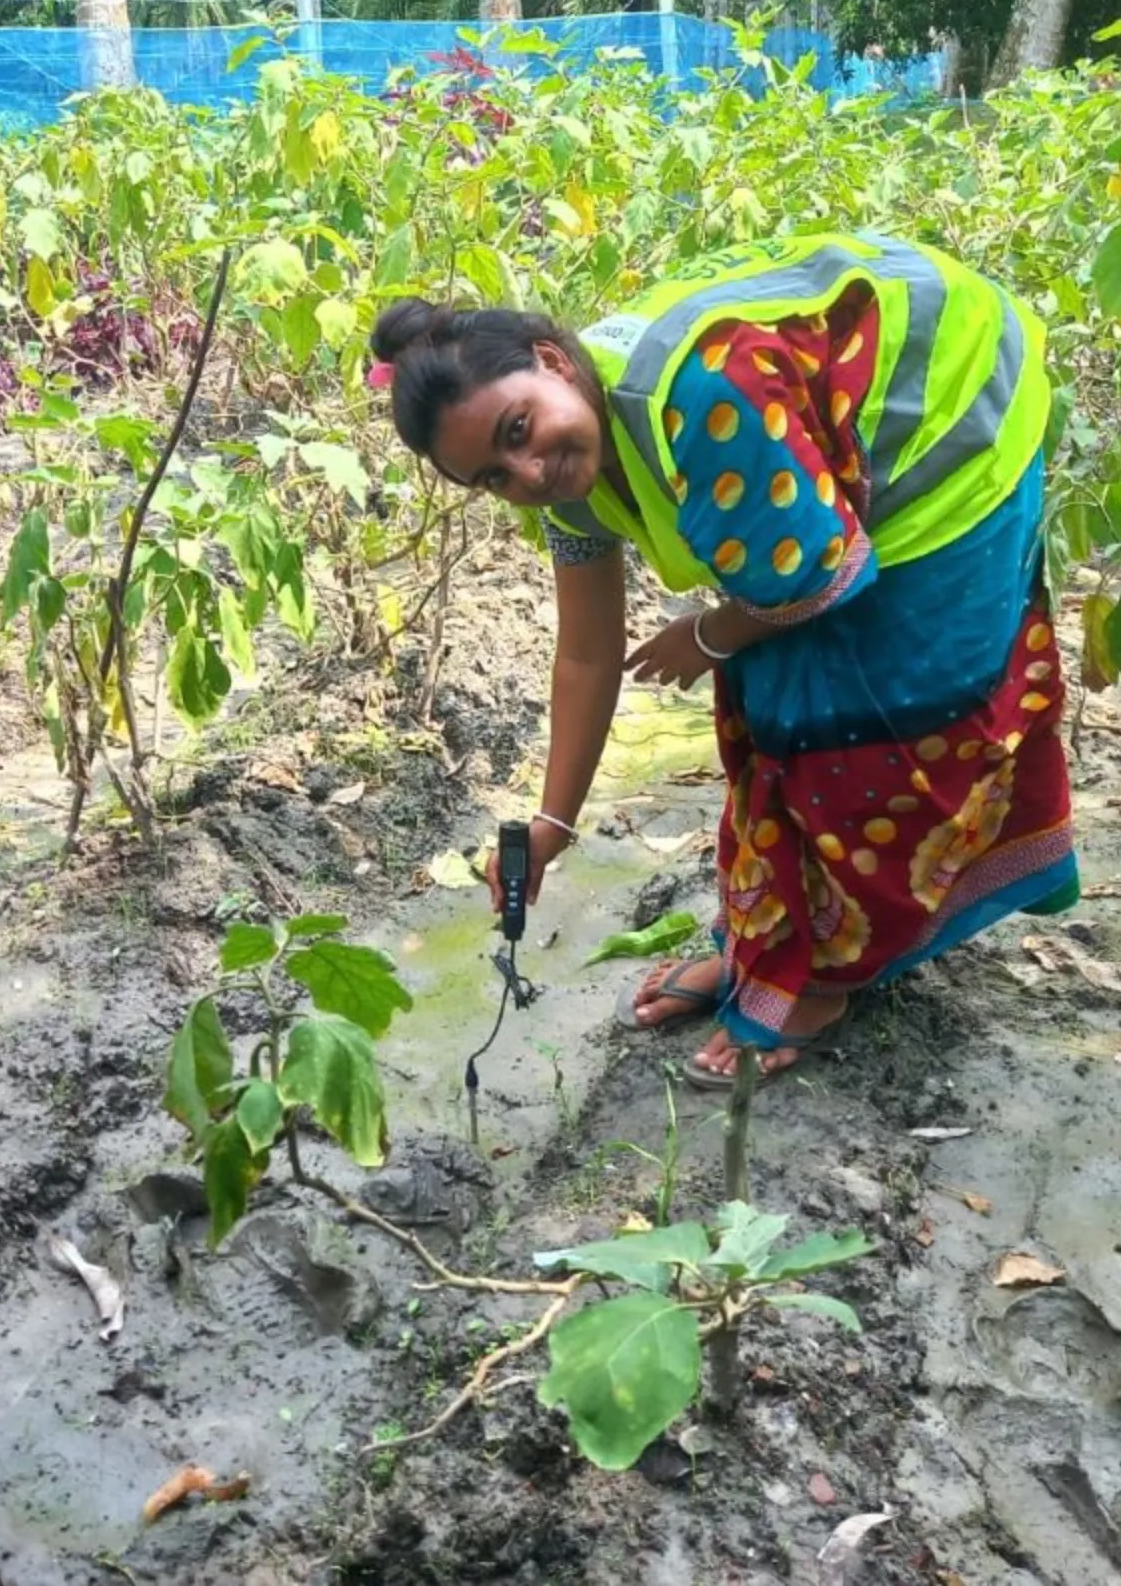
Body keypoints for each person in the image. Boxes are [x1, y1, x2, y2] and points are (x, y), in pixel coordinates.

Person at [371, 232, 1079, 1088]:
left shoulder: (703, 395)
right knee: (769, 712)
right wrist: (553, 823)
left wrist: (707, 637)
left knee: (881, 727)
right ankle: (768, 948)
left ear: (555, 361)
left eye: (520, 430)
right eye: (492, 475)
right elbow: (589, 653)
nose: (528, 471)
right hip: (821, 491)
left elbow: (820, 575)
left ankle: (823, 980)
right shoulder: (563, 487)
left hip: (951, 419)